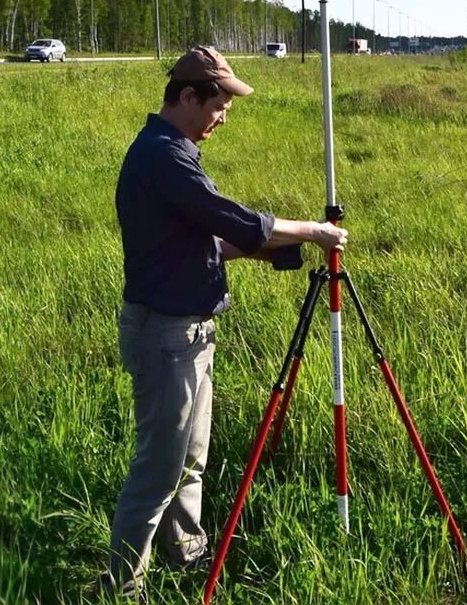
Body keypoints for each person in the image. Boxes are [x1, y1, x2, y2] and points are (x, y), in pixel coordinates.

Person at [101, 45, 348, 597]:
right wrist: (311, 231)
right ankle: (121, 586)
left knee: (190, 461)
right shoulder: (164, 157)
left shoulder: (172, 151)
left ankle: (186, 557)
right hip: (167, 334)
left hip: (187, 331)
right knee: (158, 470)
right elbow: (227, 218)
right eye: (219, 105)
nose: (224, 117)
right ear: (188, 97)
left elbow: (195, 241)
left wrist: (270, 253)